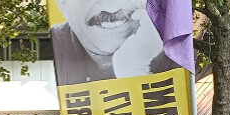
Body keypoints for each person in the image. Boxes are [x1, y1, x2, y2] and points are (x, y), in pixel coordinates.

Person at [50, 0, 180, 85]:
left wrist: (134, 71)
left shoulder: (179, 47)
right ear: (62, 4)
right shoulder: (57, 50)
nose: (110, 5)